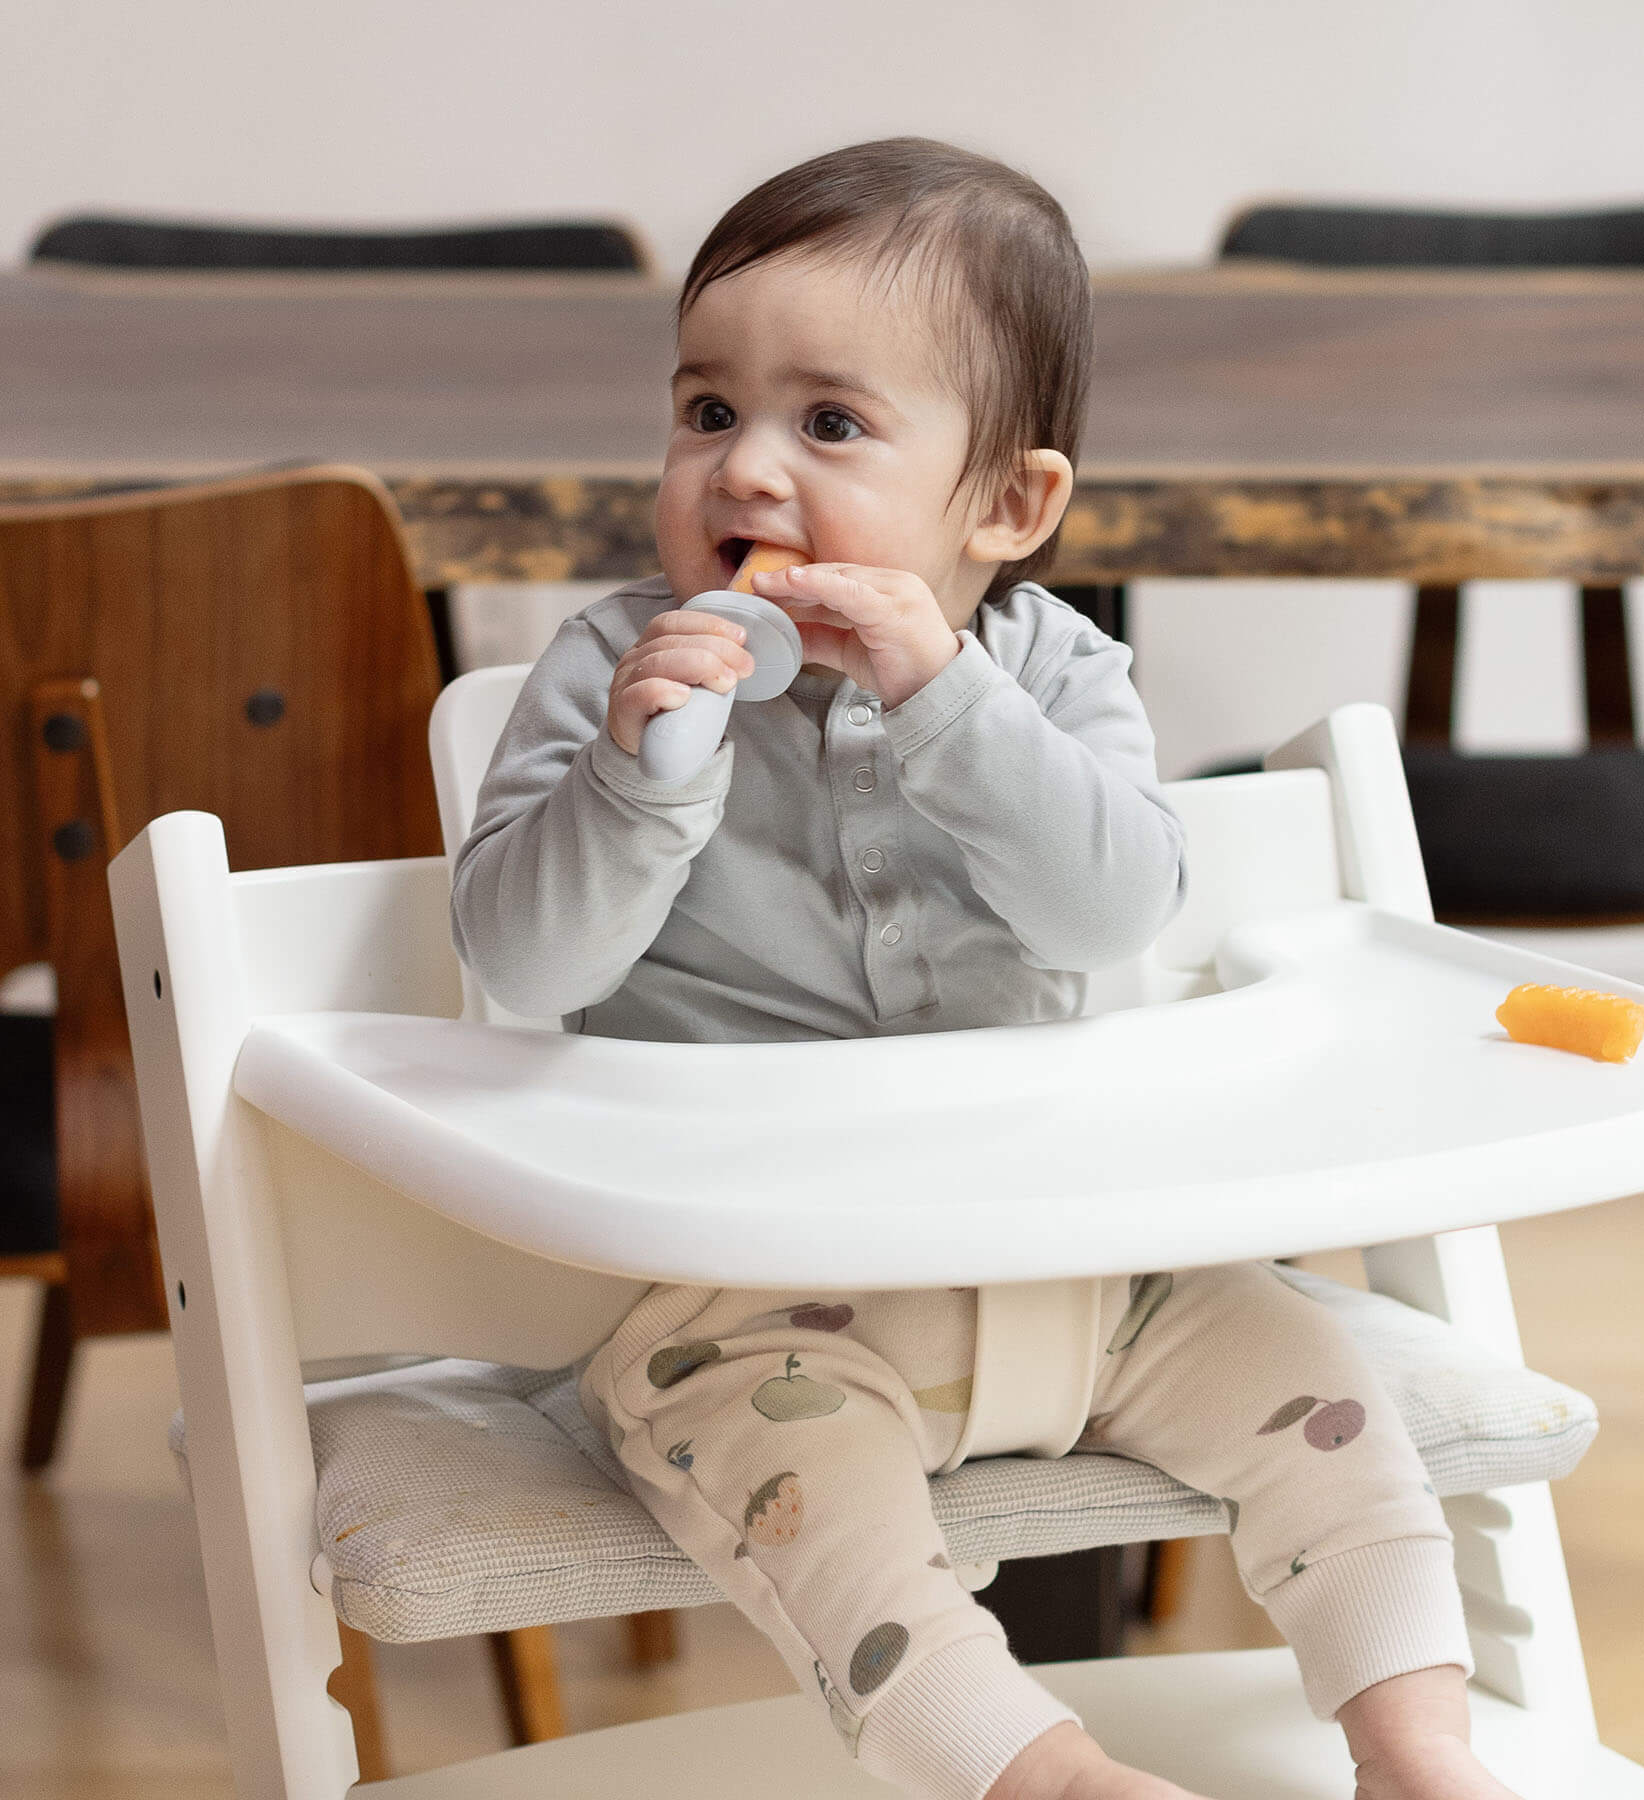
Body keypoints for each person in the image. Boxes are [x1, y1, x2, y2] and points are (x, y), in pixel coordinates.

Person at [451, 137, 1516, 1800]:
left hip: (1075, 1258)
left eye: (830, 425)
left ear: (1008, 506)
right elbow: (521, 961)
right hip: (753, 1291)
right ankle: (1045, 1773)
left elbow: (1109, 911)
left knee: (1322, 1380)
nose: (744, 474)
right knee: (818, 1512)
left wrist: (950, 703)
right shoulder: (607, 671)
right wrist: (638, 775)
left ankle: (1415, 1741)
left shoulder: (1058, 671)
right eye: (707, 412)